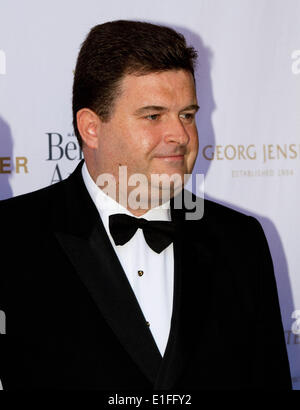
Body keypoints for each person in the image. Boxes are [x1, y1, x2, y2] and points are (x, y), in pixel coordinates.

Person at [0, 20, 292, 390]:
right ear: (91, 127)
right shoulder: (11, 237)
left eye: (187, 114)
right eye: (153, 116)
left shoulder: (240, 240)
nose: (181, 135)